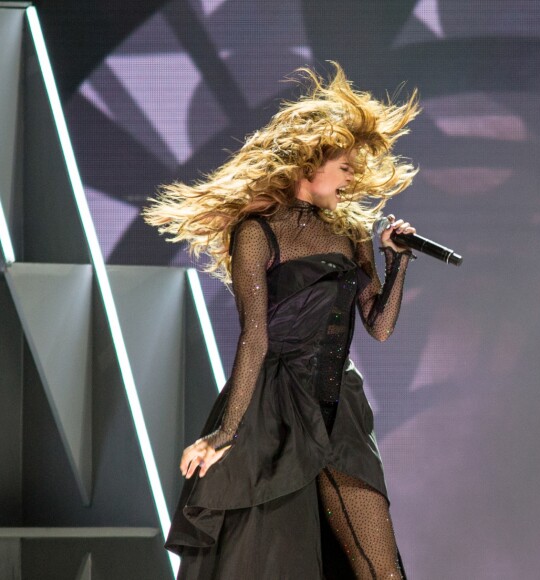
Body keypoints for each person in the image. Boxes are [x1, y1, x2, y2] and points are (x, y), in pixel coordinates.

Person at [144, 62, 420, 580]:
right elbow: (255, 338)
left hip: (341, 406)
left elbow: (378, 326)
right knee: (267, 560)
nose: (353, 179)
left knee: (380, 567)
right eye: (345, 167)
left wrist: (396, 261)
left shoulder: (352, 231)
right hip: (274, 409)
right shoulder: (257, 232)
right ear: (308, 163)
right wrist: (225, 434)